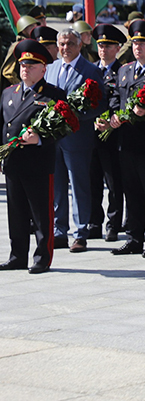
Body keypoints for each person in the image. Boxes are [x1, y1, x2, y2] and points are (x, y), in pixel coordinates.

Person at [102, 21, 145, 258]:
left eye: (142, 43)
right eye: (134, 43)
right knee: (131, 193)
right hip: (126, 141)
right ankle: (134, 238)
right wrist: (112, 114)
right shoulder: (124, 71)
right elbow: (115, 97)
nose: (137, 47)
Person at [0, 40, 67, 273]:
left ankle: (42, 257)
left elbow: (62, 127)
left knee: (41, 214)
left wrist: (39, 139)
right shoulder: (9, 93)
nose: (25, 69)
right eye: (23, 65)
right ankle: (17, 256)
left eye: (31, 65)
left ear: (43, 69)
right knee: (16, 213)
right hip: (13, 163)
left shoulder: (53, 95)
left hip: (37, 163)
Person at [45, 29, 107, 252]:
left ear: (80, 45)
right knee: (57, 186)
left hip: (77, 136)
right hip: (54, 138)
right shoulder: (51, 68)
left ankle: (80, 233)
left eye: (70, 43)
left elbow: (101, 103)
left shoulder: (90, 70)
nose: (65, 48)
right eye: (62, 44)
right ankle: (59, 230)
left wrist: (76, 113)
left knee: (79, 185)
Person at [89, 25, 127, 242]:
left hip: (113, 136)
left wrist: (112, 120)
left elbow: (122, 100)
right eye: (101, 45)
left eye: (108, 46)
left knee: (114, 184)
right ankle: (94, 223)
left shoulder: (122, 72)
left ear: (118, 48)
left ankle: (113, 224)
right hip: (91, 135)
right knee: (92, 180)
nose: (103, 49)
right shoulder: (92, 70)